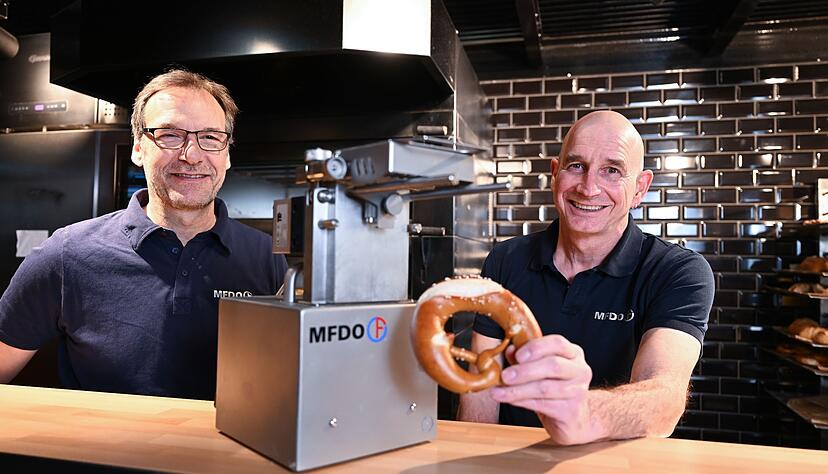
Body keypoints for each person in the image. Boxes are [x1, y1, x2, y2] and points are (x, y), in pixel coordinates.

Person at [0, 69, 287, 400]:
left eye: (210, 137)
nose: (191, 155)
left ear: (227, 155)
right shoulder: (64, 255)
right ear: (138, 148)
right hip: (100, 451)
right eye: (169, 135)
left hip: (234, 450)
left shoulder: (272, 260)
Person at [458, 110, 714, 445]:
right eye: (576, 165)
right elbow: (483, 387)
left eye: (612, 170)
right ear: (555, 174)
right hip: (511, 457)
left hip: (617, 465)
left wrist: (584, 415)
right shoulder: (506, 261)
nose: (589, 187)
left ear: (640, 188)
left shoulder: (677, 272)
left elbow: (664, 395)